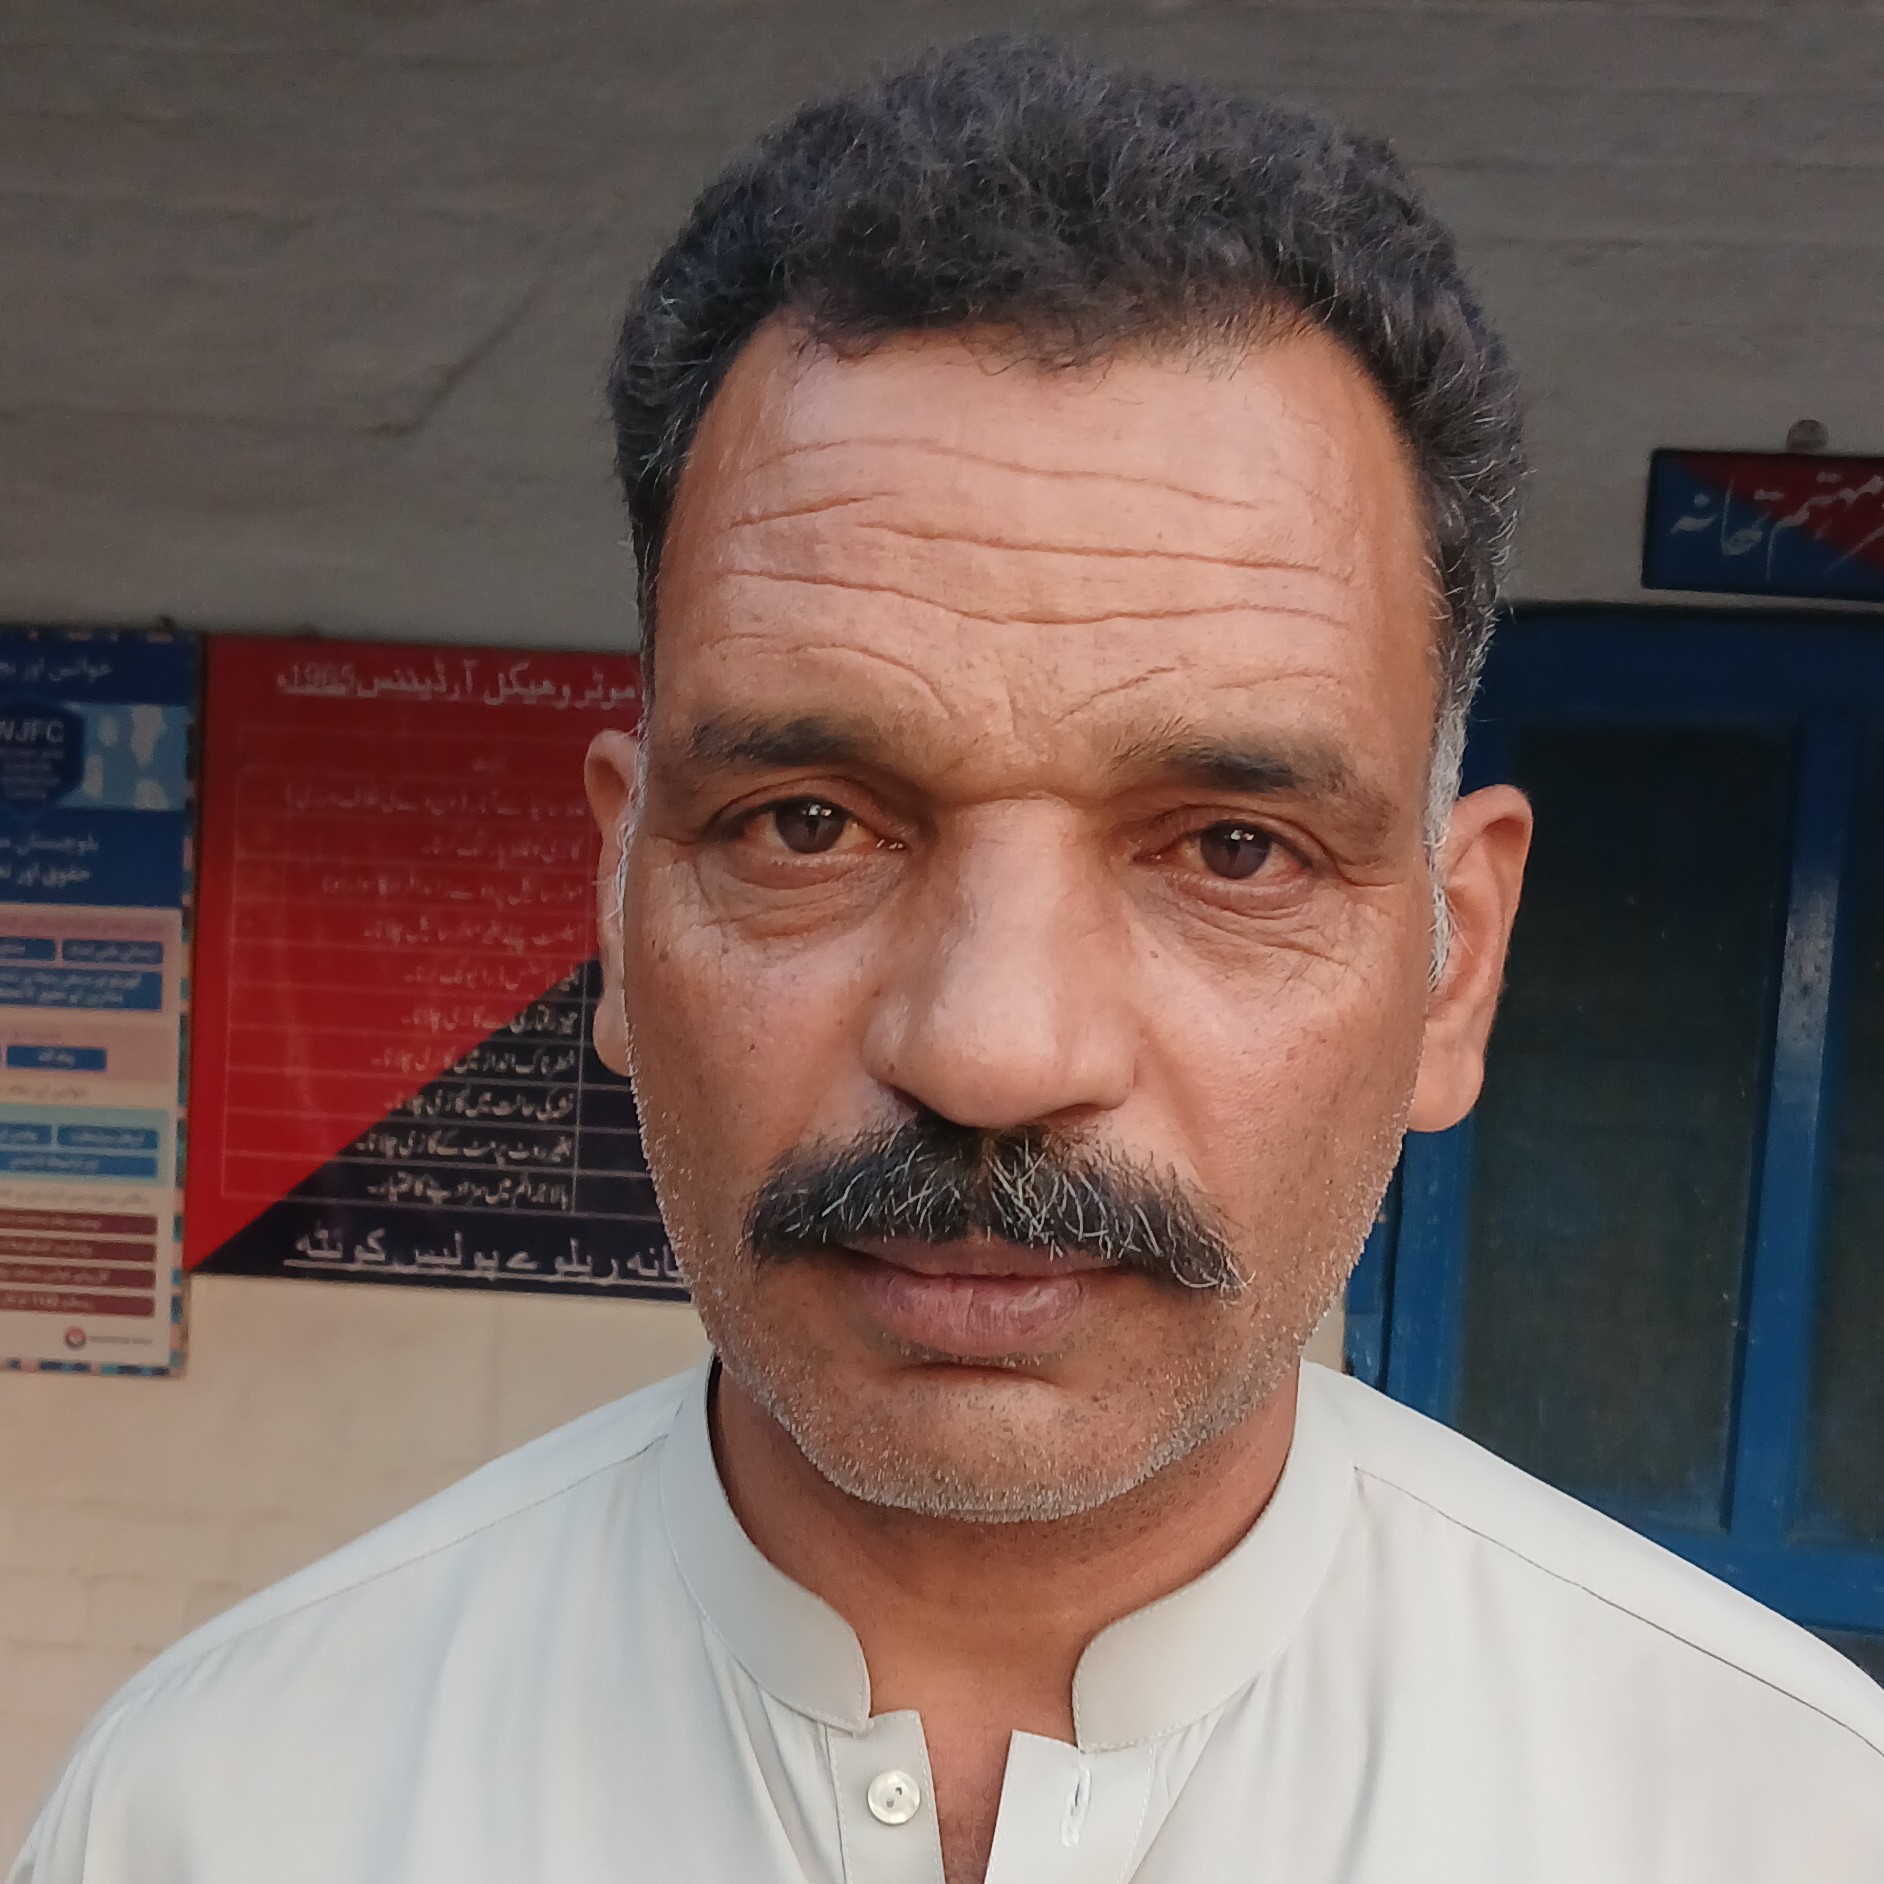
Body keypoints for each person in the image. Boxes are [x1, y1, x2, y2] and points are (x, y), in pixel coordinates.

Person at [13, 35, 1884, 1884]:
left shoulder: (1783, 1822)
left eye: (1233, 849)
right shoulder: (215, 1813)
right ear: (618, 902)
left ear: (1454, 967)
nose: (992, 1048)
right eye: (807, 824)